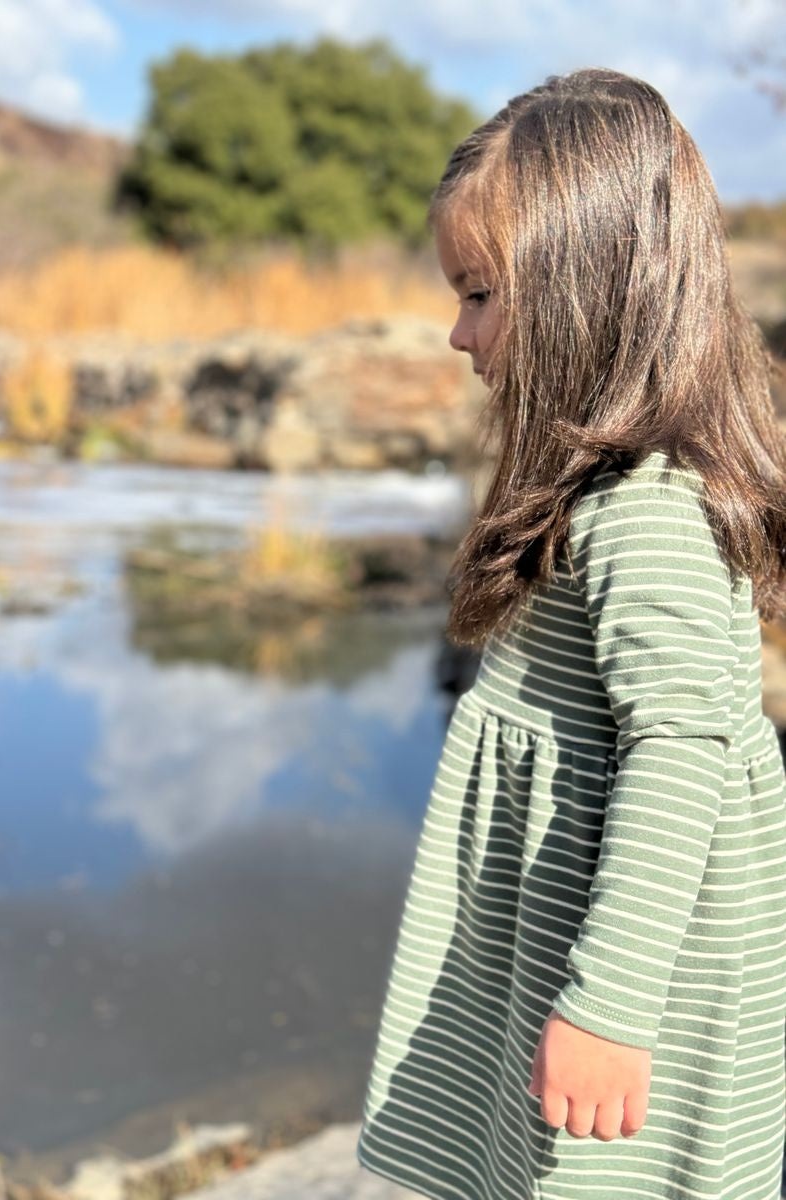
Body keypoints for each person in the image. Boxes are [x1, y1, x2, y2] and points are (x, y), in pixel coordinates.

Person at [355, 67, 786, 1200]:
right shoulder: (604, 487)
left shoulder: (645, 507)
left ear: (590, 284)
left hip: (627, 971)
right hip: (563, 936)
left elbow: (681, 746)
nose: (456, 332)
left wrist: (608, 1004)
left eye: (479, 294)